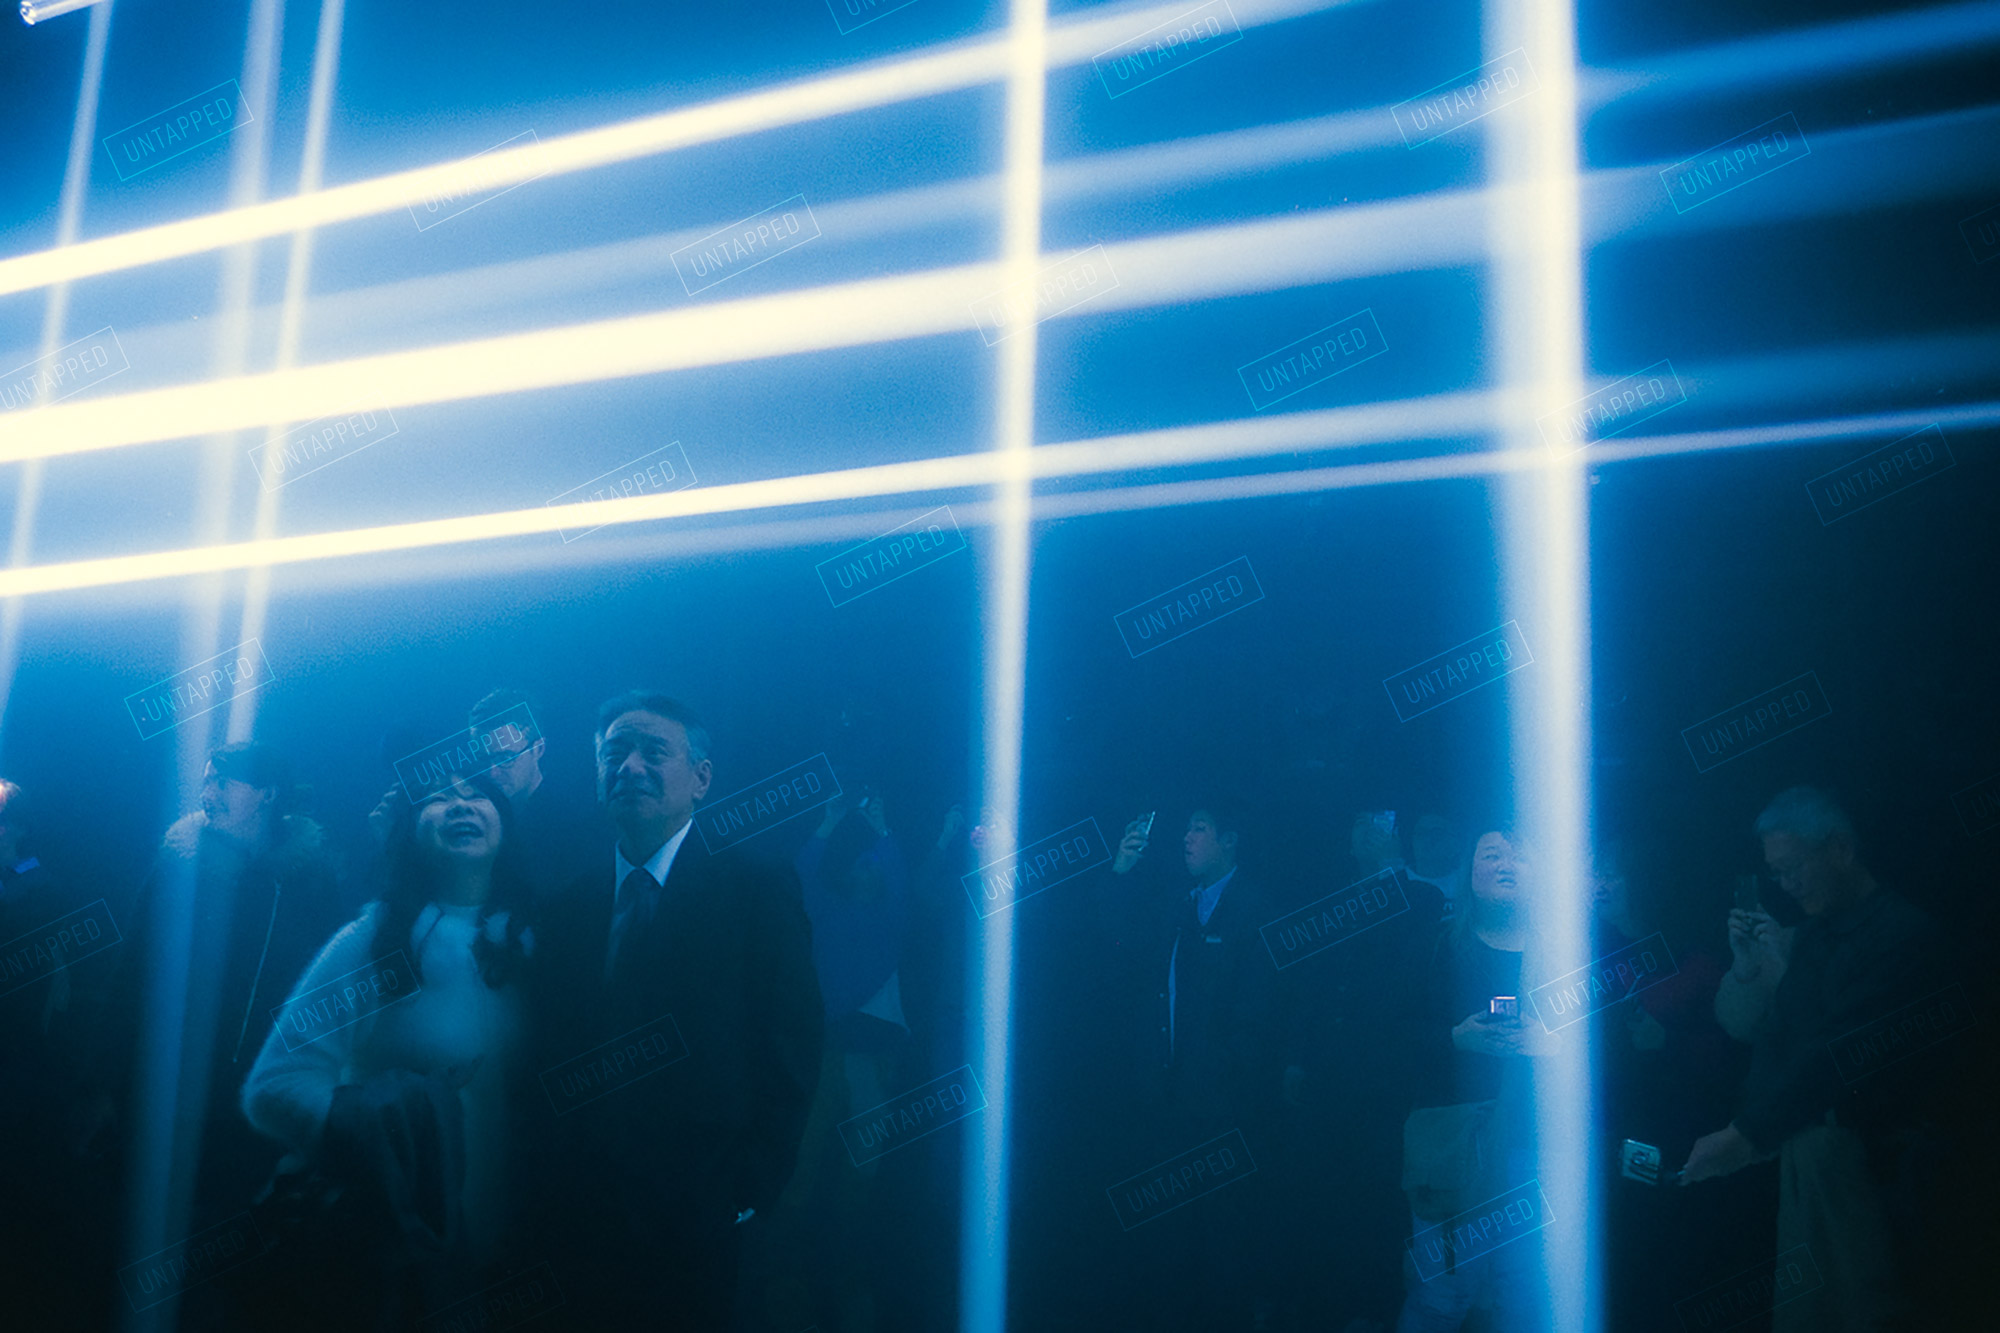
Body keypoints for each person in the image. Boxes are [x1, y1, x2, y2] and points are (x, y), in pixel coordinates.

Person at [528, 691, 823, 1332]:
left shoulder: (756, 888)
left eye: (654, 752)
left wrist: (754, 1185)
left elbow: (793, 1041)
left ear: (702, 778)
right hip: (580, 1216)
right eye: (614, 753)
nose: (630, 766)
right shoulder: (567, 906)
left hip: (704, 1212)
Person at [241, 773, 538, 1328]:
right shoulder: (375, 939)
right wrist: (387, 1118)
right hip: (395, 1266)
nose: (460, 805)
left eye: (475, 794)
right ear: (409, 830)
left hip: (523, 1262)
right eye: (439, 797)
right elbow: (272, 1086)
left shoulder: (537, 940)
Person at [77, 741, 346, 1327]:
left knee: (225, 1264)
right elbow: (131, 973)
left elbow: (330, 998)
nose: (208, 792)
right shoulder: (180, 868)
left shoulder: (311, 883)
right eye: (205, 780)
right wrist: (102, 1082)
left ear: (267, 793)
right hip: (161, 1094)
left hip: (250, 1111)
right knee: (132, 1243)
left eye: (224, 781)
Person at [1680, 787, 1942, 1332]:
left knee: (1862, 1307)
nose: (1786, 884)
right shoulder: (1813, 937)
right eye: (1776, 873)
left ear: (1840, 849)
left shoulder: (1900, 934)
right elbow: (1773, 1035)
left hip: (1871, 1163)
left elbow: (1839, 1051)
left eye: (1793, 867)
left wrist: (1749, 1133)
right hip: (1816, 1151)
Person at [1103, 802, 1284, 1333]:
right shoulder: (1178, 904)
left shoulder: (1256, 907)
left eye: (1199, 829)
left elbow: (1262, 1009)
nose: (1186, 838)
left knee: (1222, 1235)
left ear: (1229, 840)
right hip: (1169, 1098)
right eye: (1185, 829)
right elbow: (1121, 949)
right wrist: (1120, 873)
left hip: (1224, 1107)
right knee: (1170, 1234)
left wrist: (1225, 1074)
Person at [1280, 810, 1445, 1333]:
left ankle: (1371, 1310)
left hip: (1384, 1080)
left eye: (1381, 821)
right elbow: (1312, 985)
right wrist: (1297, 1057)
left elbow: (1409, 987)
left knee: (1376, 1194)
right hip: (1326, 1075)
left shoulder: (1423, 899)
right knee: (1324, 1190)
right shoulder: (1333, 901)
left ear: (1399, 835)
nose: (1366, 829)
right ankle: (1321, 1307)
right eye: (1360, 822)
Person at [1394, 825, 1556, 1333]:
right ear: (1469, 871)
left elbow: (1609, 1047)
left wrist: (1553, 1044)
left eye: (1519, 855)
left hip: (1535, 1145)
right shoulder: (1437, 946)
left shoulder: (1564, 951)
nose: (1506, 864)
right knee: (1442, 1296)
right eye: (1492, 854)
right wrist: (1455, 1038)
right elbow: (1387, 1034)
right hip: (1454, 1144)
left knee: (1522, 1299)